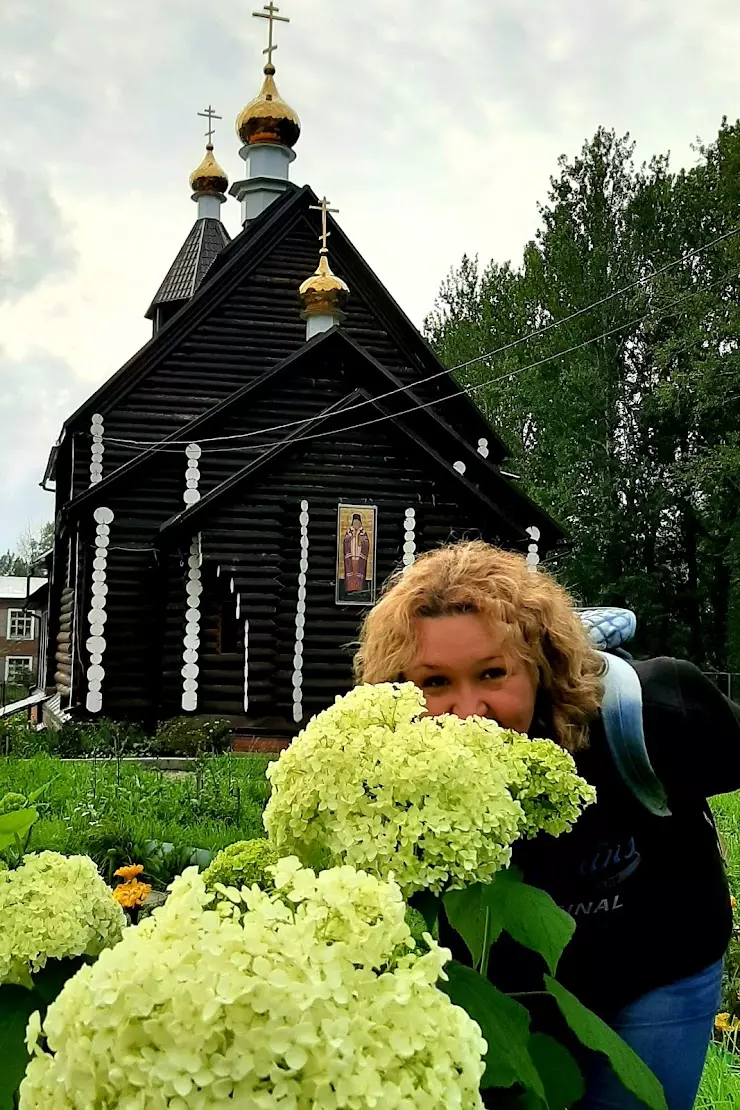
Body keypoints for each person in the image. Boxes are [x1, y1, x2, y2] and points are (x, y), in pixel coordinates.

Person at [354, 540, 740, 1110]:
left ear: (540, 665)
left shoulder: (652, 711)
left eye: (492, 673)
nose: (468, 709)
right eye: (434, 683)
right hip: (504, 987)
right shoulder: (383, 762)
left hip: (658, 962)